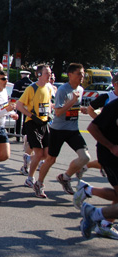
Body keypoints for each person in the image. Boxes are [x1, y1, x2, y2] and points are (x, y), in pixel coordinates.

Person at [35, 63, 90, 198]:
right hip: (58, 130)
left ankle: (65, 177)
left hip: (73, 129)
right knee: (51, 159)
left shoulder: (81, 89)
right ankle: (39, 183)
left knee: (85, 157)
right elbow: (58, 112)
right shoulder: (63, 90)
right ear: (70, 75)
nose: (82, 77)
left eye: (83, 74)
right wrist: (73, 102)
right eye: (79, 74)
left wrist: (81, 108)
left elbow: (74, 107)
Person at [75, 98, 118, 239]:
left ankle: (100, 219)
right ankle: (95, 215)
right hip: (111, 157)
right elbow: (92, 128)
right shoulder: (115, 105)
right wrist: (111, 146)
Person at [15, 64, 53, 198]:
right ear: (39, 75)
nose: (50, 75)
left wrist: (49, 114)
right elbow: (19, 105)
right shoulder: (32, 88)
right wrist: (32, 116)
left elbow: (48, 104)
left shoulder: (49, 88)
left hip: (44, 123)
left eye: (50, 73)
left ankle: (28, 159)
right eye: (47, 73)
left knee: (47, 155)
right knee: (39, 153)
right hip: (32, 123)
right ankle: (30, 178)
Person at [11, 70, 33, 141]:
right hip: (29, 105)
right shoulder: (32, 84)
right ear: (28, 75)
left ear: (21, 75)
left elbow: (14, 94)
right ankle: (25, 135)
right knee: (26, 120)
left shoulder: (18, 83)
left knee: (18, 120)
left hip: (19, 104)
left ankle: (18, 136)